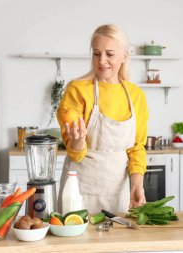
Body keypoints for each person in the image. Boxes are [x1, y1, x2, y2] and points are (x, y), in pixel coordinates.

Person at [57, 24, 149, 214]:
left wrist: (137, 184)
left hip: (118, 192)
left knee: (118, 241)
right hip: (80, 189)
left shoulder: (135, 95)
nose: (102, 61)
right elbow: (75, 154)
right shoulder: (77, 90)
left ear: (124, 56)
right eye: (97, 53)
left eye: (110, 54)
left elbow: (136, 148)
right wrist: (77, 142)